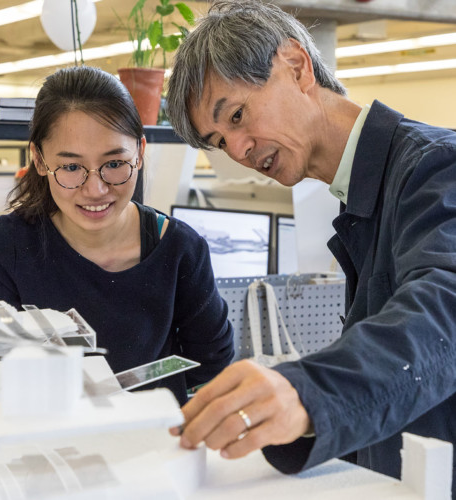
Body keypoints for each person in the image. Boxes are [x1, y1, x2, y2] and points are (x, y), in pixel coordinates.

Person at [165, 0, 456, 494]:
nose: (237, 151)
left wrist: (310, 391)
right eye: (220, 140)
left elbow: (443, 311)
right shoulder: (362, 196)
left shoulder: (436, 168)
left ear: (297, 66)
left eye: (237, 115)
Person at [0, 65, 234, 406]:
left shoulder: (180, 249)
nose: (95, 190)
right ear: (39, 160)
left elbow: (212, 363)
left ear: (140, 152)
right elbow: (8, 370)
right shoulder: (9, 246)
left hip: (155, 441)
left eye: (114, 164)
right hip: (50, 442)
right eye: (71, 167)